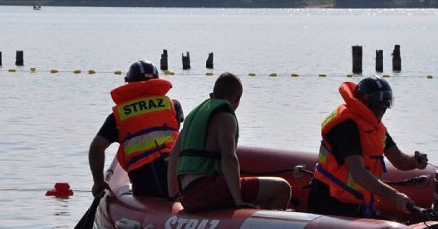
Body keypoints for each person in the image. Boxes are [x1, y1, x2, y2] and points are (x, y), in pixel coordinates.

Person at [167, 72, 291, 213]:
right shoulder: (226, 117)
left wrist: (174, 197)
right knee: (282, 188)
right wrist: (239, 202)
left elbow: (173, 158)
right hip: (208, 191)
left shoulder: (192, 117)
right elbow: (229, 158)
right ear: (237, 98)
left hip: (188, 196)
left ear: (213, 93)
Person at [308, 75, 428, 218]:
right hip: (329, 203)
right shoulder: (346, 126)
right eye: (378, 108)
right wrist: (395, 196)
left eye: (384, 109)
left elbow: (397, 158)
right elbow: (358, 173)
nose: (381, 113)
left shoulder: (375, 127)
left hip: (359, 202)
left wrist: (414, 161)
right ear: (364, 102)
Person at [89, 60, 183, 199]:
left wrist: (98, 183)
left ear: (129, 83)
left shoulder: (118, 115)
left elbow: (96, 147)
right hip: (173, 170)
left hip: (143, 177)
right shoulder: (173, 106)